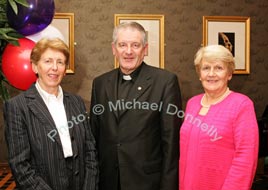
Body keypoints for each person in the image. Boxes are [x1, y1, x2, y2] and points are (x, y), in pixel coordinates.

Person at [90, 22, 182, 190]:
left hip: (147, 183)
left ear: (145, 49)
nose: (128, 51)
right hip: (108, 181)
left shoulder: (165, 82)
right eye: (122, 45)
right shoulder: (100, 83)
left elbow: (171, 143)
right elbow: (94, 137)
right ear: (114, 49)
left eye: (135, 45)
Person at [3, 38, 98, 190]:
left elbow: (90, 151)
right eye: (48, 61)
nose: (54, 67)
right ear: (35, 66)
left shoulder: (76, 102)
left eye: (60, 62)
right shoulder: (17, 107)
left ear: (65, 69)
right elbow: (20, 166)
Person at [179, 44, 259, 190]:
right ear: (199, 74)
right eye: (206, 68)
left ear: (229, 74)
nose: (211, 74)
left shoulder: (242, 105)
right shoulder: (192, 103)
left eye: (219, 68)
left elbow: (246, 159)